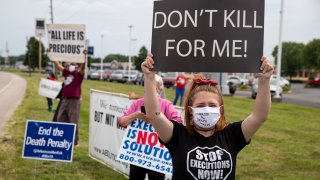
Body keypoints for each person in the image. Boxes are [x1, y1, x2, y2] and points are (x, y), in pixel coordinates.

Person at [141, 53, 274, 179]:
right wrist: (149, 78)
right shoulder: (178, 135)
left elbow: (259, 116)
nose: (206, 109)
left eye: (212, 105)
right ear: (190, 110)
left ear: (220, 109)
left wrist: (265, 80)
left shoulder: (232, 135)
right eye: (200, 106)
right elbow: (154, 115)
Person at [119, 74, 183, 180]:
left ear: (160, 90)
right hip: (137, 153)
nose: (148, 91)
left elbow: (178, 123)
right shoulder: (137, 103)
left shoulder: (166, 104)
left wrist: (159, 120)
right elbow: (121, 122)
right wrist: (136, 115)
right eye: (146, 88)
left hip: (156, 156)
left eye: (152, 88)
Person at [50, 51, 86, 146]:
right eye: (71, 63)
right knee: (60, 118)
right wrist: (53, 58)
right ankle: (62, 139)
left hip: (74, 100)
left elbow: (83, 68)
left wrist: (84, 57)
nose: (71, 65)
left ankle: (75, 142)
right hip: (65, 99)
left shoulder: (79, 75)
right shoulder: (67, 72)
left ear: (77, 66)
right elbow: (58, 66)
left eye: (73, 64)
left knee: (73, 121)